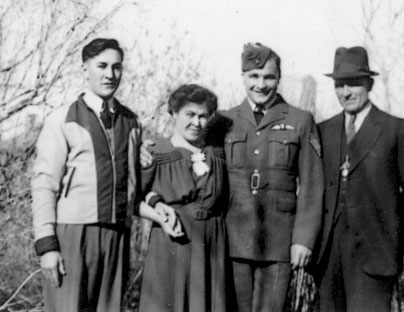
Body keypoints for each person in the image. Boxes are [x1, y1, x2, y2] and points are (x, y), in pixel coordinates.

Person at [316, 46, 404, 312]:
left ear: (369, 83)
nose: (346, 92)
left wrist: (389, 229)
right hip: (328, 258)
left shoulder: (396, 129)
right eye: (340, 84)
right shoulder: (323, 131)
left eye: (354, 83)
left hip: (375, 255)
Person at [31, 38, 141, 311]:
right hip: (74, 235)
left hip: (117, 235)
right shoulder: (63, 118)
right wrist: (47, 246)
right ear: (85, 69)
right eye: (101, 65)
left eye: (116, 67)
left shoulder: (131, 122)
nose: (109, 74)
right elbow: (44, 184)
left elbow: (135, 180)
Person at [222, 43, 324, 312]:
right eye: (254, 76)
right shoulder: (224, 121)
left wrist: (303, 239)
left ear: (279, 78)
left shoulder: (301, 120)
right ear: (243, 77)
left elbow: (312, 185)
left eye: (268, 77)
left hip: (279, 241)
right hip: (234, 239)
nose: (261, 84)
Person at [138, 84, 230, 312]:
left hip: (211, 244)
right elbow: (133, 199)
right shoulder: (154, 151)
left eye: (203, 116)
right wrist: (157, 209)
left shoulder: (217, 154)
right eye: (189, 114)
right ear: (173, 113)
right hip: (171, 242)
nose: (196, 123)